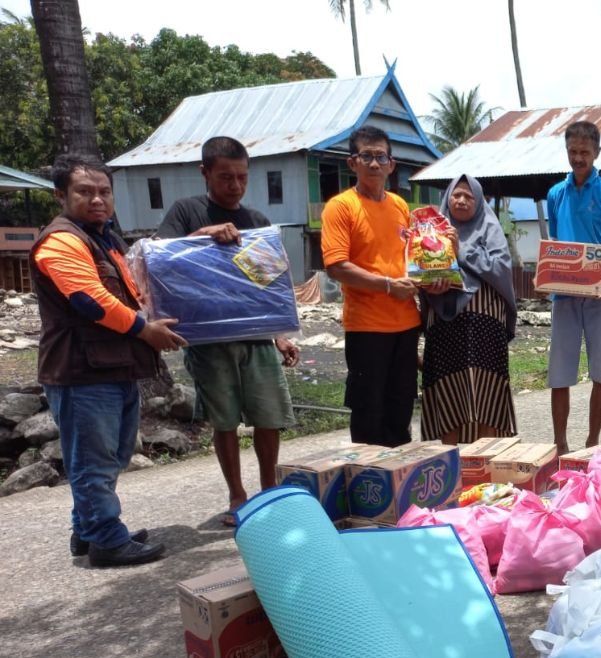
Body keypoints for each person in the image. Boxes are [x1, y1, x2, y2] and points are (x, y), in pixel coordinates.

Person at [33, 154, 185, 567]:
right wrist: (145, 330)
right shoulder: (62, 240)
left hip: (112, 367)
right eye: (85, 191)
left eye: (104, 191)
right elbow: (89, 300)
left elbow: (133, 291)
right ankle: (105, 540)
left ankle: (87, 530)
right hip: (82, 371)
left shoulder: (103, 238)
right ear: (61, 195)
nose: (97, 199)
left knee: (111, 456)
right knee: (94, 461)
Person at [157, 137, 301, 526]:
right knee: (224, 421)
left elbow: (269, 285)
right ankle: (238, 496)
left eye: (241, 177)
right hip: (210, 342)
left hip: (257, 340)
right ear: (205, 172)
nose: (235, 185)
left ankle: (270, 491)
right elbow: (159, 257)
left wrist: (280, 334)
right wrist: (203, 234)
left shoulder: (257, 222)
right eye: (225, 177)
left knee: (268, 416)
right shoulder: (186, 212)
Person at [321, 125, 420, 447]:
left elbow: (411, 257)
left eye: (381, 157)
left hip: (406, 324)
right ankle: (369, 490)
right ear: (353, 163)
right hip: (366, 327)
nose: (375, 164)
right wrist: (389, 286)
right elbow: (336, 266)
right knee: (368, 413)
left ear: (392, 164)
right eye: (367, 156)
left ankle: (399, 488)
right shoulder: (340, 206)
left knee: (401, 408)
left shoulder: (400, 206)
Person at [545, 120, 601, 453]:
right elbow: (554, 244)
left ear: (597, 152)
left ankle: (593, 441)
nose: (578, 158)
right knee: (560, 372)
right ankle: (560, 443)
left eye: (585, 152)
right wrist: (550, 272)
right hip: (564, 293)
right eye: (573, 151)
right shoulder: (555, 194)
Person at [418, 175, 518, 443]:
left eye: (469, 196)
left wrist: (461, 250)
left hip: (485, 324)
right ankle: (451, 466)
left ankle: (484, 469)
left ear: (478, 200)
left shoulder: (490, 228)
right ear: (447, 199)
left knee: (486, 394)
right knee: (449, 391)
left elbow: (501, 268)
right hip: (444, 324)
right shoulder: (429, 231)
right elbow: (418, 272)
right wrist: (429, 285)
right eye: (456, 195)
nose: (461, 200)